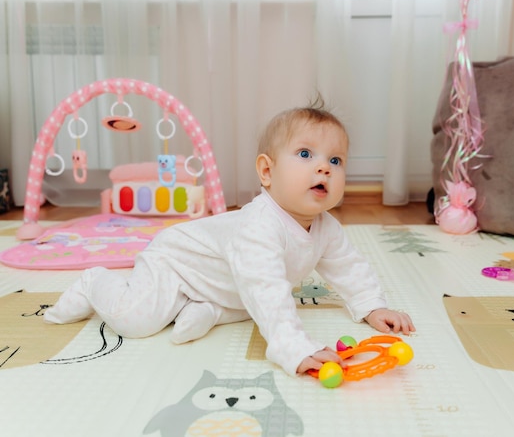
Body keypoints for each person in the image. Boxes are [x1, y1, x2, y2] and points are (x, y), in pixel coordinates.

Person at [44, 101, 415, 376]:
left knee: (252, 302)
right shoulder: (259, 226)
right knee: (137, 320)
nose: (323, 167)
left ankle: (208, 309)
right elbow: (266, 287)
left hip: (227, 282)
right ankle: (95, 281)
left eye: (336, 161)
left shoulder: (327, 227)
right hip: (175, 262)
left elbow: (348, 267)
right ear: (267, 172)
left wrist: (371, 305)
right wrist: (292, 346)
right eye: (305, 154)